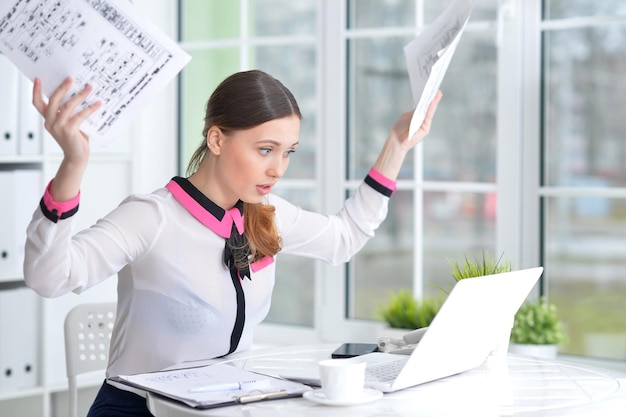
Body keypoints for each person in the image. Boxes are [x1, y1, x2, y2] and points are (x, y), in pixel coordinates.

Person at [24, 69, 442, 416]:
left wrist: (397, 145)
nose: (278, 168)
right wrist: (73, 165)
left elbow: (344, 238)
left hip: (227, 405)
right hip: (139, 409)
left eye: (288, 152)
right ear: (217, 139)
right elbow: (50, 277)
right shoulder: (151, 217)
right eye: (265, 149)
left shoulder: (266, 214)